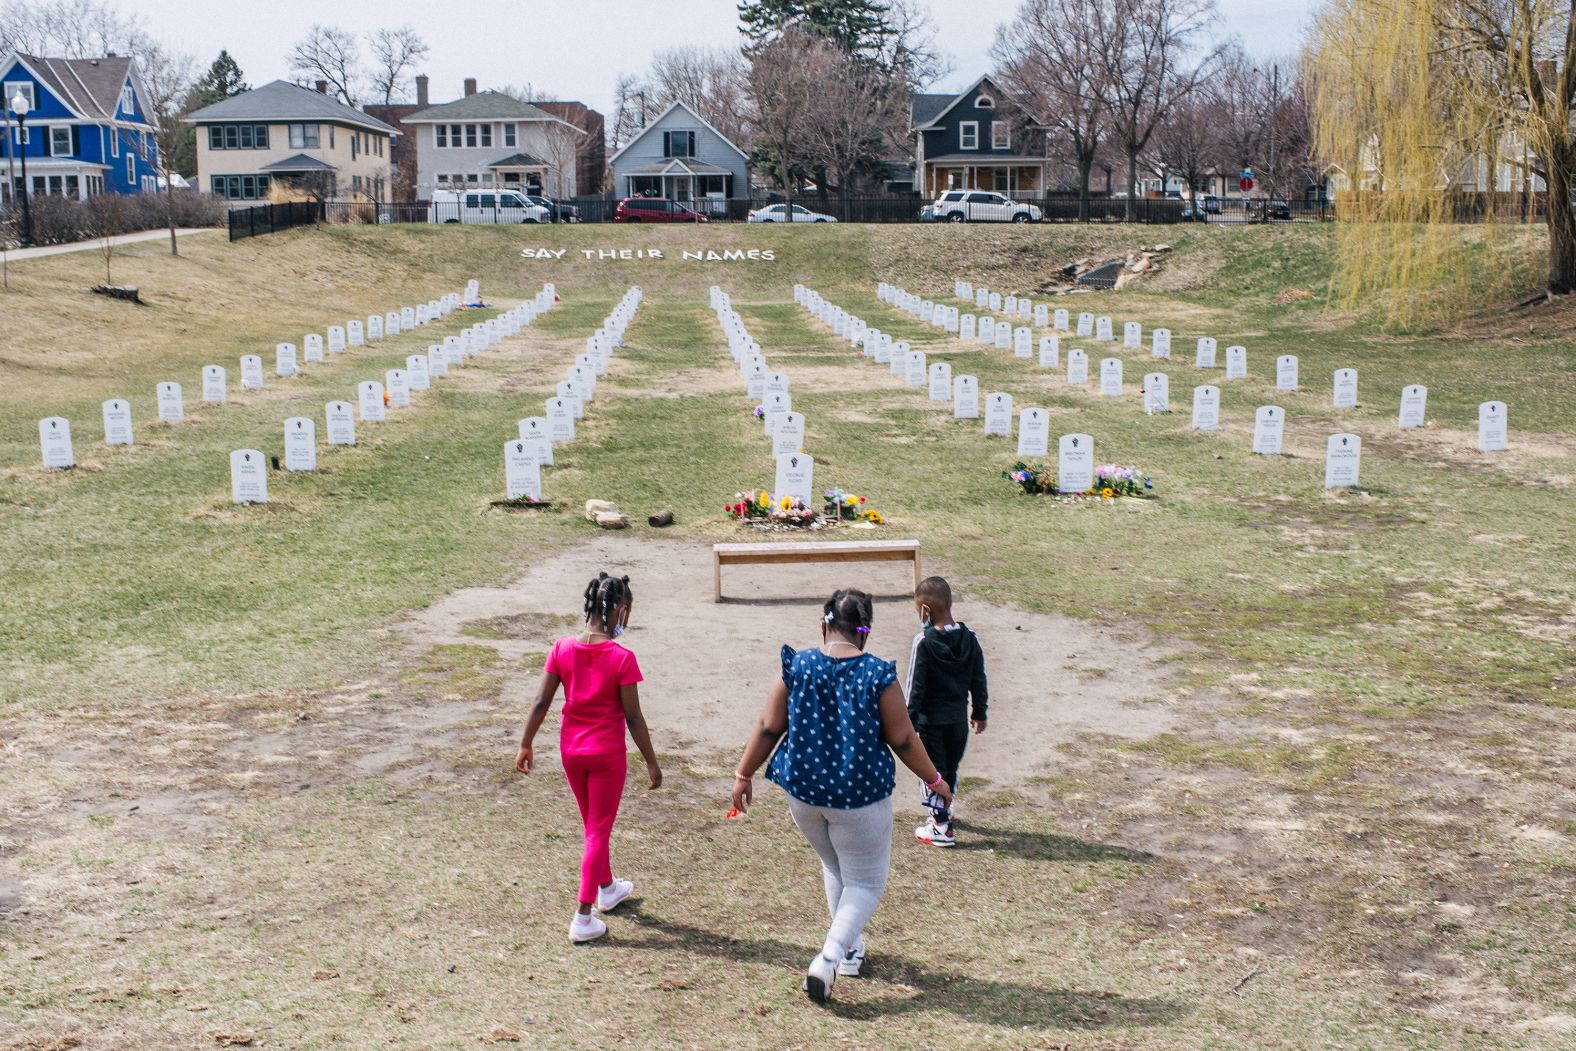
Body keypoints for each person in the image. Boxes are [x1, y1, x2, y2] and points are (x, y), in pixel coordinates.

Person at [731, 588, 952, 1004]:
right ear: (865, 633)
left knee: (834, 865)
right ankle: (829, 958)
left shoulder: (797, 666)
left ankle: (849, 952)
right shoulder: (876, 676)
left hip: (804, 794)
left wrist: (744, 773)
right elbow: (903, 740)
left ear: (823, 625)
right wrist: (935, 780)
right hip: (858, 797)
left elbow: (767, 726)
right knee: (866, 880)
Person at [516, 572, 662, 944]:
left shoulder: (561, 648)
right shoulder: (621, 657)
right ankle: (583, 916)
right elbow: (633, 717)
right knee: (597, 830)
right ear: (621, 610)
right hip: (606, 756)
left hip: (571, 752)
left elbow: (541, 701)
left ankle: (608, 887)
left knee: (593, 826)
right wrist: (651, 761)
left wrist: (526, 743)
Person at [906, 576, 989, 848]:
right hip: (957, 723)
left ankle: (940, 824)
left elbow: (915, 688)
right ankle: (945, 808)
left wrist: (908, 723)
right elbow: (979, 677)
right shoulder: (970, 639)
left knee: (931, 771)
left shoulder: (923, 643)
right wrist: (980, 711)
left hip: (930, 724)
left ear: (926, 611)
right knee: (949, 768)